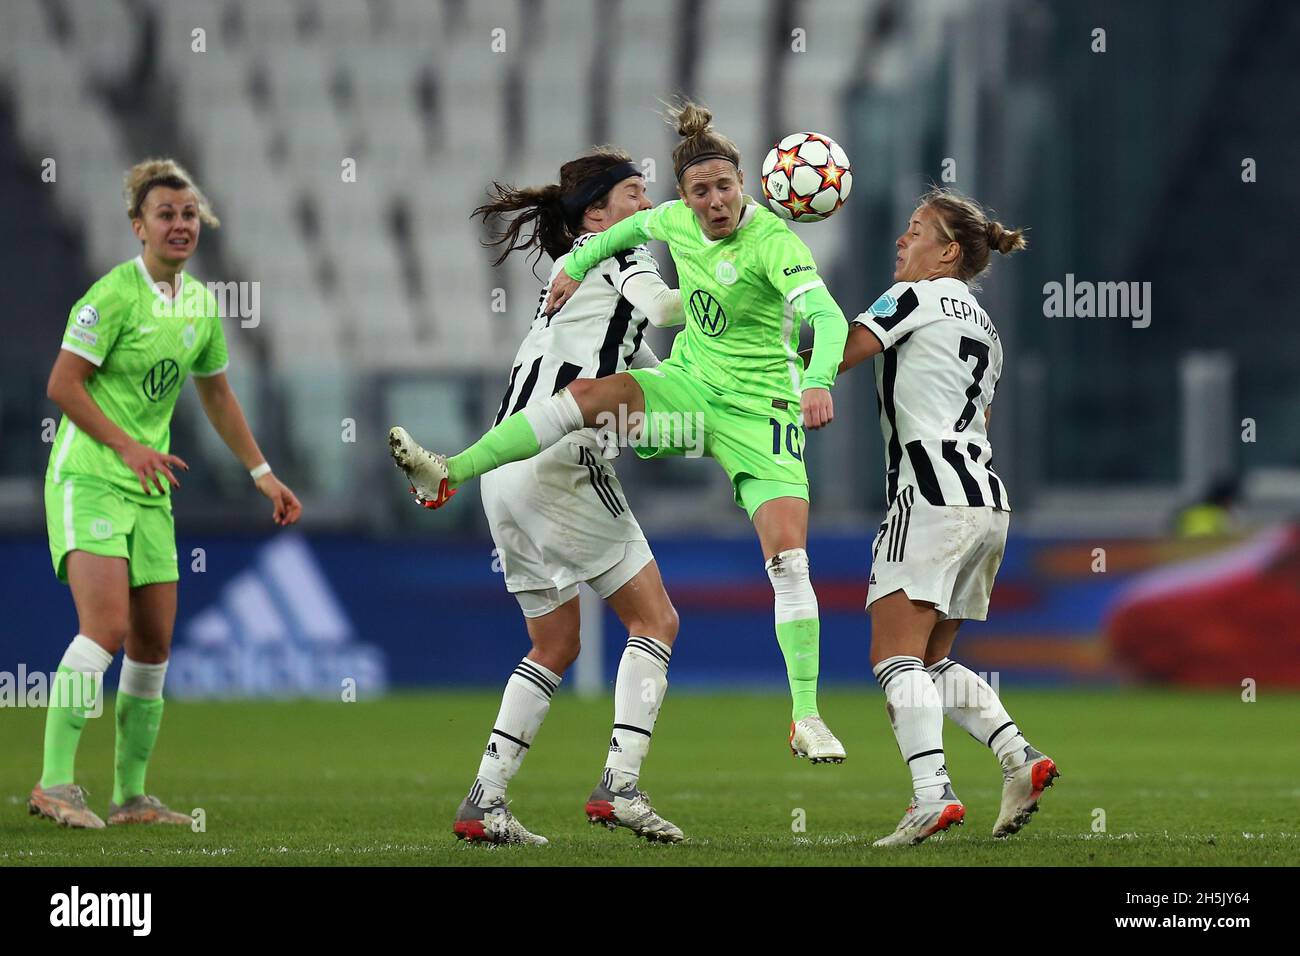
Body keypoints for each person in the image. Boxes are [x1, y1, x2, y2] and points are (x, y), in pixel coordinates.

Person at [390, 101, 851, 762]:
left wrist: (818, 381)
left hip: (762, 413)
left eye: (724, 187)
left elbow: (827, 321)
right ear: (684, 197)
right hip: (690, 392)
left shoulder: (775, 243)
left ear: (744, 183)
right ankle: (451, 471)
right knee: (589, 395)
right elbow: (603, 242)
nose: (714, 201)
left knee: (788, 560)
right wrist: (575, 267)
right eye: (700, 191)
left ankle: (805, 716)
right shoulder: (668, 223)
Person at [396, 148, 686, 845]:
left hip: (509, 465)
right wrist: (733, 285)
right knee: (657, 621)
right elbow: (669, 309)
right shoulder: (617, 255)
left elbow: (652, 375)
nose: (646, 210)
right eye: (635, 197)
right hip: (561, 457)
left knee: (554, 642)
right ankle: (620, 785)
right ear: (596, 214)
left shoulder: (571, 273)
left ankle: (485, 799)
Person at [31, 158, 302, 829]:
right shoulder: (111, 295)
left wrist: (261, 472)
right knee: (107, 628)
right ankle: (54, 784)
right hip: (88, 479)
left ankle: (130, 797)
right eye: (165, 215)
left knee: (153, 645)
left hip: (150, 490)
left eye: (188, 215)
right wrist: (125, 444)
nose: (180, 225)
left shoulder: (202, 305)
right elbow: (62, 386)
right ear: (138, 226)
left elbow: (216, 393)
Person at [834, 187, 1057, 846]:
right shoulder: (987, 328)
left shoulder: (910, 296)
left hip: (928, 497)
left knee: (892, 658)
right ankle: (1018, 757)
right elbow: (979, 418)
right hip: (985, 501)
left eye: (915, 231)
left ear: (948, 252)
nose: (902, 242)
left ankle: (931, 795)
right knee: (930, 661)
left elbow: (840, 355)